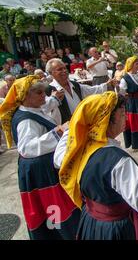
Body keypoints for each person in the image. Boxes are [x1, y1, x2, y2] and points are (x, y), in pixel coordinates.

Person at [55, 92, 138, 240]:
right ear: (105, 120)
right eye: (122, 113)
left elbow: (58, 156)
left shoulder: (78, 151)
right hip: (117, 229)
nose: (127, 117)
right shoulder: (117, 161)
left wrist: (73, 127)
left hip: (93, 222)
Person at [0, 75, 80, 239]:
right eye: (39, 92)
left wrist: (56, 99)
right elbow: (27, 148)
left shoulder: (33, 108)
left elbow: (46, 105)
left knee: (55, 203)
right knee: (52, 204)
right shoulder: (26, 121)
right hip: (41, 174)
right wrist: (59, 131)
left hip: (44, 169)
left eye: (44, 91)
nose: (44, 95)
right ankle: (59, 233)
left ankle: (61, 230)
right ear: (25, 96)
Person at [46, 58, 116, 125]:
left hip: (80, 126)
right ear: (51, 73)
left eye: (64, 68)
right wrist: (53, 99)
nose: (64, 71)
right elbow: (43, 109)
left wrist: (108, 85)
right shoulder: (48, 90)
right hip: (64, 132)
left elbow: (92, 90)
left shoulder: (75, 85)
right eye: (60, 69)